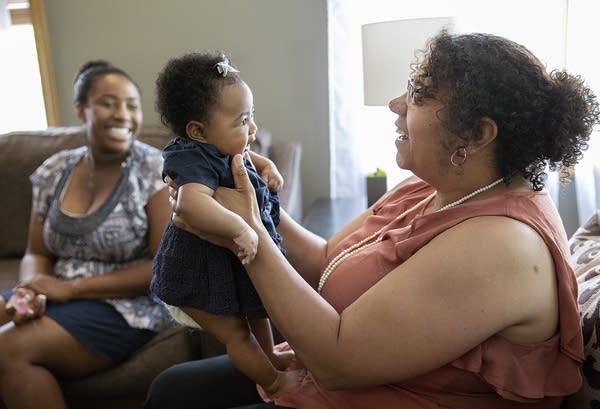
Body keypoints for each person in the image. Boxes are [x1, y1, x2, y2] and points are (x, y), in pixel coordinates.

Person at [145, 30, 600, 409]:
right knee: (171, 389)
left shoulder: (504, 245)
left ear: (478, 134)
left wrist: (251, 236)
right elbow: (325, 259)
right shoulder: (431, 187)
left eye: (420, 95)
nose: (396, 103)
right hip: (324, 371)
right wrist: (246, 193)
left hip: (358, 386)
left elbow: (338, 364)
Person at [0, 60, 172, 409]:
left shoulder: (156, 171)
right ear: (82, 109)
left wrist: (71, 289)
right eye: (109, 102)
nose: (122, 114)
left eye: (132, 105)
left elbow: (162, 268)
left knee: (7, 349)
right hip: (58, 294)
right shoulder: (54, 170)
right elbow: (37, 252)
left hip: (127, 307)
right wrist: (31, 290)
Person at [150, 51, 305, 399]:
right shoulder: (189, 158)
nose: (251, 128)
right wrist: (241, 229)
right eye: (242, 120)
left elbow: (245, 154)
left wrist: (265, 165)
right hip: (194, 271)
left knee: (258, 316)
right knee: (236, 332)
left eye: (251, 116)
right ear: (198, 131)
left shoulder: (219, 144)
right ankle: (274, 383)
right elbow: (191, 203)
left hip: (226, 264)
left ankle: (272, 363)